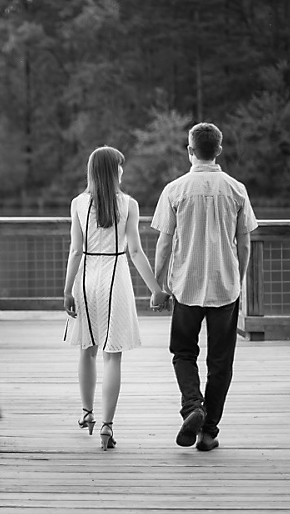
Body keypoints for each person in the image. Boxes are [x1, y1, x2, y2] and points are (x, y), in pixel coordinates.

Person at [151, 122, 258, 452]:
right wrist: (237, 279)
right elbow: (245, 243)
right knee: (221, 362)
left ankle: (193, 407)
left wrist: (158, 286)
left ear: (190, 150)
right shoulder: (236, 189)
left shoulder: (175, 189)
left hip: (186, 285)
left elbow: (165, 244)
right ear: (219, 150)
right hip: (225, 288)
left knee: (183, 353)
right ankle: (208, 430)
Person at [64, 146, 168, 451]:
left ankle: (87, 414)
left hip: (86, 277)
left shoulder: (78, 204)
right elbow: (135, 251)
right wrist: (155, 289)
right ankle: (108, 426)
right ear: (113, 171)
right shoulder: (129, 205)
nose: (123, 170)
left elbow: (74, 250)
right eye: (120, 166)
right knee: (112, 356)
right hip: (115, 277)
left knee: (87, 350)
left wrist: (67, 290)